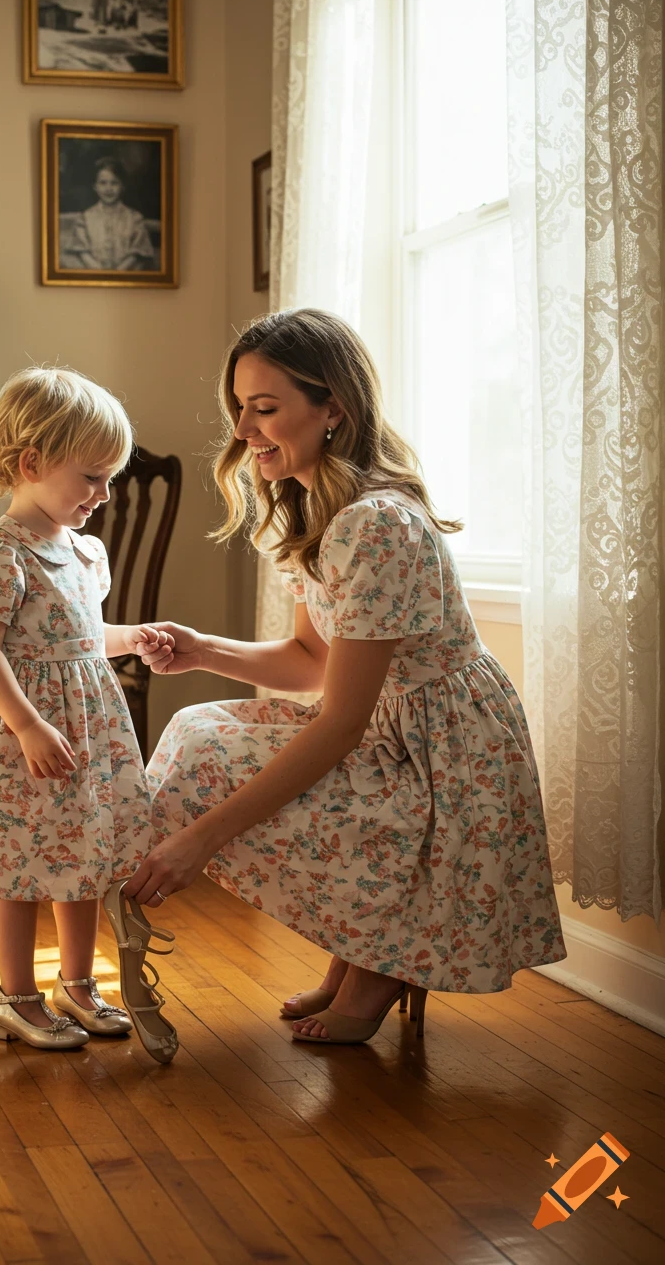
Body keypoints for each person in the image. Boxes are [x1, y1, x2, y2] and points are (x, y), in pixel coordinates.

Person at [126, 308, 566, 1046]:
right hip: (396, 728)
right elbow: (310, 661)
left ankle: (380, 963)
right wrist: (203, 649)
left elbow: (340, 720)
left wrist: (199, 839)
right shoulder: (322, 510)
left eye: (265, 410)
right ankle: (363, 953)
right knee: (199, 726)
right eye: (239, 409)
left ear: (334, 407)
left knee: (213, 757)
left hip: (446, 755)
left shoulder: (375, 525)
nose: (243, 431)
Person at [0, 367, 175, 1050]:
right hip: (24, 735)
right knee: (18, 871)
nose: (104, 495)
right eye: (92, 478)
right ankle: (14, 994)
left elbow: (77, 639)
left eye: (111, 479)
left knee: (83, 861)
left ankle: (76, 984)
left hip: (82, 731)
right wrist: (26, 724)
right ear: (32, 464)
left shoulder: (84, 553)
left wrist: (130, 637)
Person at [60, 155, 156, 273]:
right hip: (94, 274)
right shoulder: (85, 218)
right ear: (95, 186)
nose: (108, 188)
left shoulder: (134, 218)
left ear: (123, 186)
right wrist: (100, 272)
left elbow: (137, 253)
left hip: (125, 275)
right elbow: (82, 251)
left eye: (114, 183)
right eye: (103, 183)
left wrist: (117, 273)